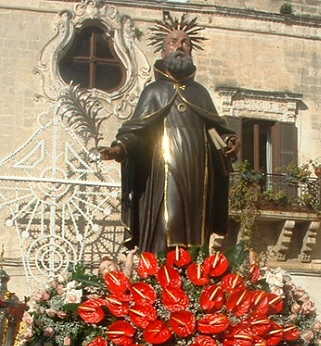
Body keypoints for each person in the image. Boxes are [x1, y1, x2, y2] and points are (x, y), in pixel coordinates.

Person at [99, 13, 240, 254]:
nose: (180, 47)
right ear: (163, 53)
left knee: (196, 228)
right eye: (173, 42)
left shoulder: (200, 93)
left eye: (186, 43)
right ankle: (163, 272)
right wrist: (119, 148)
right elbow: (137, 132)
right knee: (166, 223)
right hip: (162, 170)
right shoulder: (153, 91)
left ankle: (193, 275)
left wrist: (229, 141)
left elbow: (215, 131)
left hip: (198, 173)